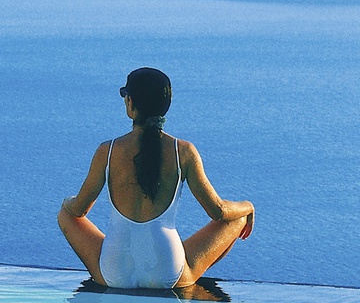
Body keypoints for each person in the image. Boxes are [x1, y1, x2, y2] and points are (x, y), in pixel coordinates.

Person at [57, 67, 254, 291]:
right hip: (167, 269)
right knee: (237, 219)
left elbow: (78, 210)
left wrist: (66, 202)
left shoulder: (107, 151)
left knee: (65, 215)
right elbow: (218, 211)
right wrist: (248, 207)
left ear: (130, 103)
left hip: (114, 270)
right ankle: (194, 288)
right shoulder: (184, 151)